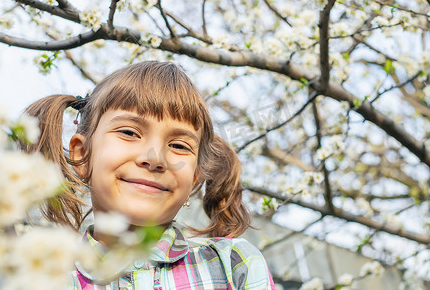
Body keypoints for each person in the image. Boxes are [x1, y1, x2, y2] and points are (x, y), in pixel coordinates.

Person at [23, 61, 275, 289]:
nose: (155, 159)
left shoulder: (232, 265)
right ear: (82, 154)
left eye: (179, 146)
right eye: (129, 133)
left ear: (195, 177)